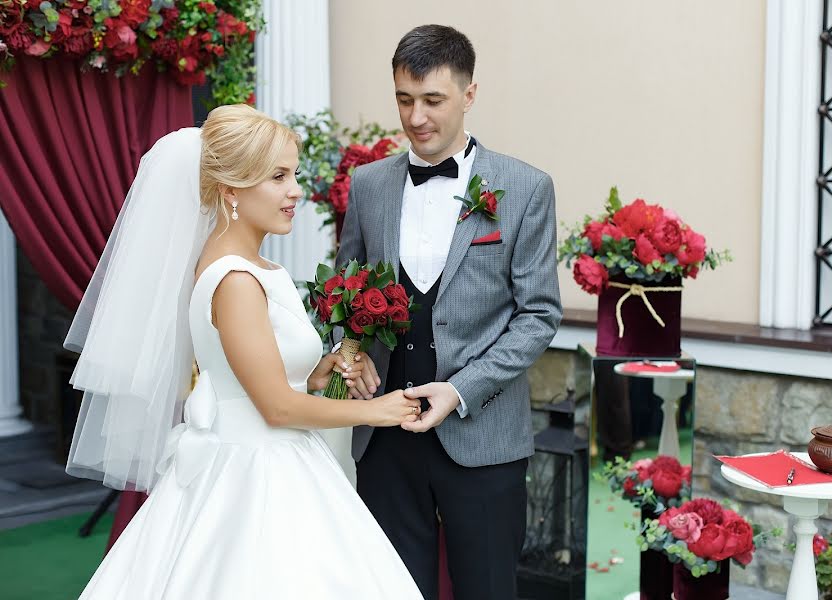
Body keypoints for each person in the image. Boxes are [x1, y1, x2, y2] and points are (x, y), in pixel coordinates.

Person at [65, 104, 424, 599]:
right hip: (258, 474)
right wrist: (381, 411)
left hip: (273, 460)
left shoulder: (247, 267)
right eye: (277, 177)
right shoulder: (235, 279)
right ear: (231, 189)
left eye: (293, 174)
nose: (295, 190)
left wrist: (316, 373)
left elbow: (251, 375)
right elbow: (275, 407)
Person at [336, 24, 562, 599]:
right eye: (404, 100)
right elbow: (344, 293)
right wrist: (348, 348)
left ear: (469, 94)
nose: (416, 117)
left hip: (482, 439)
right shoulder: (367, 185)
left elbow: (538, 315)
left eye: (432, 100)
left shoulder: (526, 187)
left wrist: (460, 390)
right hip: (383, 439)